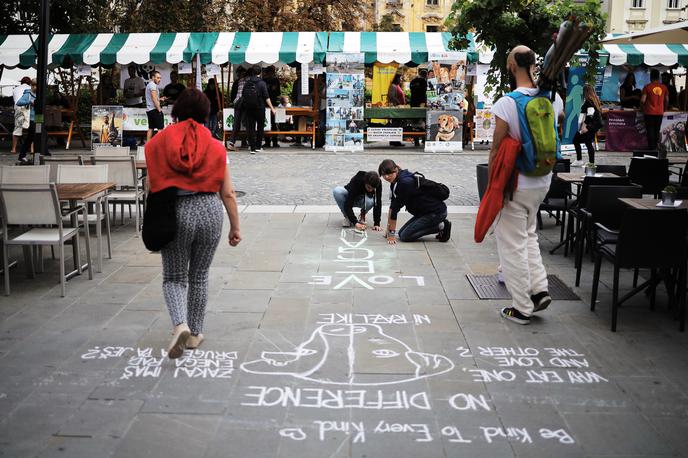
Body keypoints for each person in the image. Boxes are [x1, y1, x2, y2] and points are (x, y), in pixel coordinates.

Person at [144, 88, 242, 358]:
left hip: (177, 211)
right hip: (210, 210)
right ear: (205, 113)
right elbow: (228, 192)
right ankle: (195, 334)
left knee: (174, 277)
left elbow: (152, 185)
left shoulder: (160, 143)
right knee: (199, 276)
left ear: (176, 111)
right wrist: (235, 227)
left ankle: (180, 324)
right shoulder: (215, 146)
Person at [489, 45, 564, 325]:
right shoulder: (553, 99)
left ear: (511, 66)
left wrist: (493, 185)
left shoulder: (507, 103)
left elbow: (496, 149)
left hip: (517, 182)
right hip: (542, 180)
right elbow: (559, 124)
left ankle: (521, 307)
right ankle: (538, 289)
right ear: (534, 64)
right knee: (529, 235)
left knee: (511, 245)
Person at [378, 159, 451, 244]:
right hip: (424, 213)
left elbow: (394, 210)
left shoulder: (404, 183)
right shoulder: (395, 182)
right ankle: (437, 224)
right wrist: (389, 230)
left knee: (405, 236)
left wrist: (391, 235)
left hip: (435, 212)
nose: (386, 177)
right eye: (384, 174)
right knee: (401, 233)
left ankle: (441, 226)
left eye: (389, 173)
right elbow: (392, 207)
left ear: (396, 169)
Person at [242, 65, 277, 154]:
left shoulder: (247, 83)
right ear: (260, 73)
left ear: (252, 72)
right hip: (260, 108)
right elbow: (266, 97)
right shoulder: (262, 83)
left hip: (249, 108)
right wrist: (272, 108)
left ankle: (252, 148)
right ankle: (258, 146)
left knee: (251, 128)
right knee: (260, 127)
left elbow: (243, 95)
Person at [572, 84, 603, 166]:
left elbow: (590, 115)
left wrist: (584, 126)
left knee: (576, 140)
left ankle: (581, 160)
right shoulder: (594, 101)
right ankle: (590, 162)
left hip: (590, 126)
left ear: (585, 92)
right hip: (593, 126)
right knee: (587, 142)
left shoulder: (589, 102)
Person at [641, 68, 669, 151]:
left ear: (650, 77)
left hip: (649, 112)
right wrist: (665, 108)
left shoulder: (647, 87)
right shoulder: (664, 87)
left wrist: (641, 108)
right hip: (660, 112)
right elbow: (667, 100)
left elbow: (642, 100)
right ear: (659, 77)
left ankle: (651, 147)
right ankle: (656, 147)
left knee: (650, 130)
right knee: (657, 130)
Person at [16, 79, 37, 164]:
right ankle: (22, 156)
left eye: (36, 85)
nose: (35, 87)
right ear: (31, 85)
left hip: (37, 119)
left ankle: (24, 156)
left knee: (34, 137)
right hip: (30, 119)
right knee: (31, 138)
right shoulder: (28, 94)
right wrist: (30, 102)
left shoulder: (38, 94)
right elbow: (19, 102)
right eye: (34, 85)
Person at [11, 77, 31, 156]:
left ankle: (14, 148)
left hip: (18, 108)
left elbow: (15, 100)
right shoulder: (31, 88)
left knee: (17, 128)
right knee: (31, 128)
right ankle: (32, 148)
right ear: (30, 83)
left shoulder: (15, 89)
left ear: (21, 82)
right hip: (28, 108)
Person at [229, 67, 247, 151]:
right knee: (246, 123)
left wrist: (233, 102)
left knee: (236, 124)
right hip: (244, 104)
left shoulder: (238, 82)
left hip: (237, 104)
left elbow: (233, 94)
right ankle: (249, 142)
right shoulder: (247, 81)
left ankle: (232, 142)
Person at [262, 66, 281, 148]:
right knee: (269, 123)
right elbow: (278, 92)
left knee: (271, 123)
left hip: (270, 103)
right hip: (270, 103)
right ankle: (271, 141)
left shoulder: (267, 81)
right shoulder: (265, 81)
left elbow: (278, 92)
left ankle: (272, 141)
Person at [145, 70, 166, 141]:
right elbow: (154, 99)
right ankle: (158, 145)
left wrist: (160, 99)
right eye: (158, 78)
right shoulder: (153, 85)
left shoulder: (149, 85)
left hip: (149, 110)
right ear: (153, 77)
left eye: (160, 78)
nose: (159, 79)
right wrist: (159, 109)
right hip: (154, 110)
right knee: (160, 129)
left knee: (151, 128)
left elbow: (153, 98)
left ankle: (148, 145)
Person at [387, 74, 406, 147]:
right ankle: (394, 141)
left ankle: (395, 140)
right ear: (397, 79)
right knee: (395, 124)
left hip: (400, 108)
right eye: (400, 78)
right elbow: (391, 96)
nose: (401, 80)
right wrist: (398, 102)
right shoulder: (393, 86)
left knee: (398, 124)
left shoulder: (398, 86)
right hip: (396, 108)